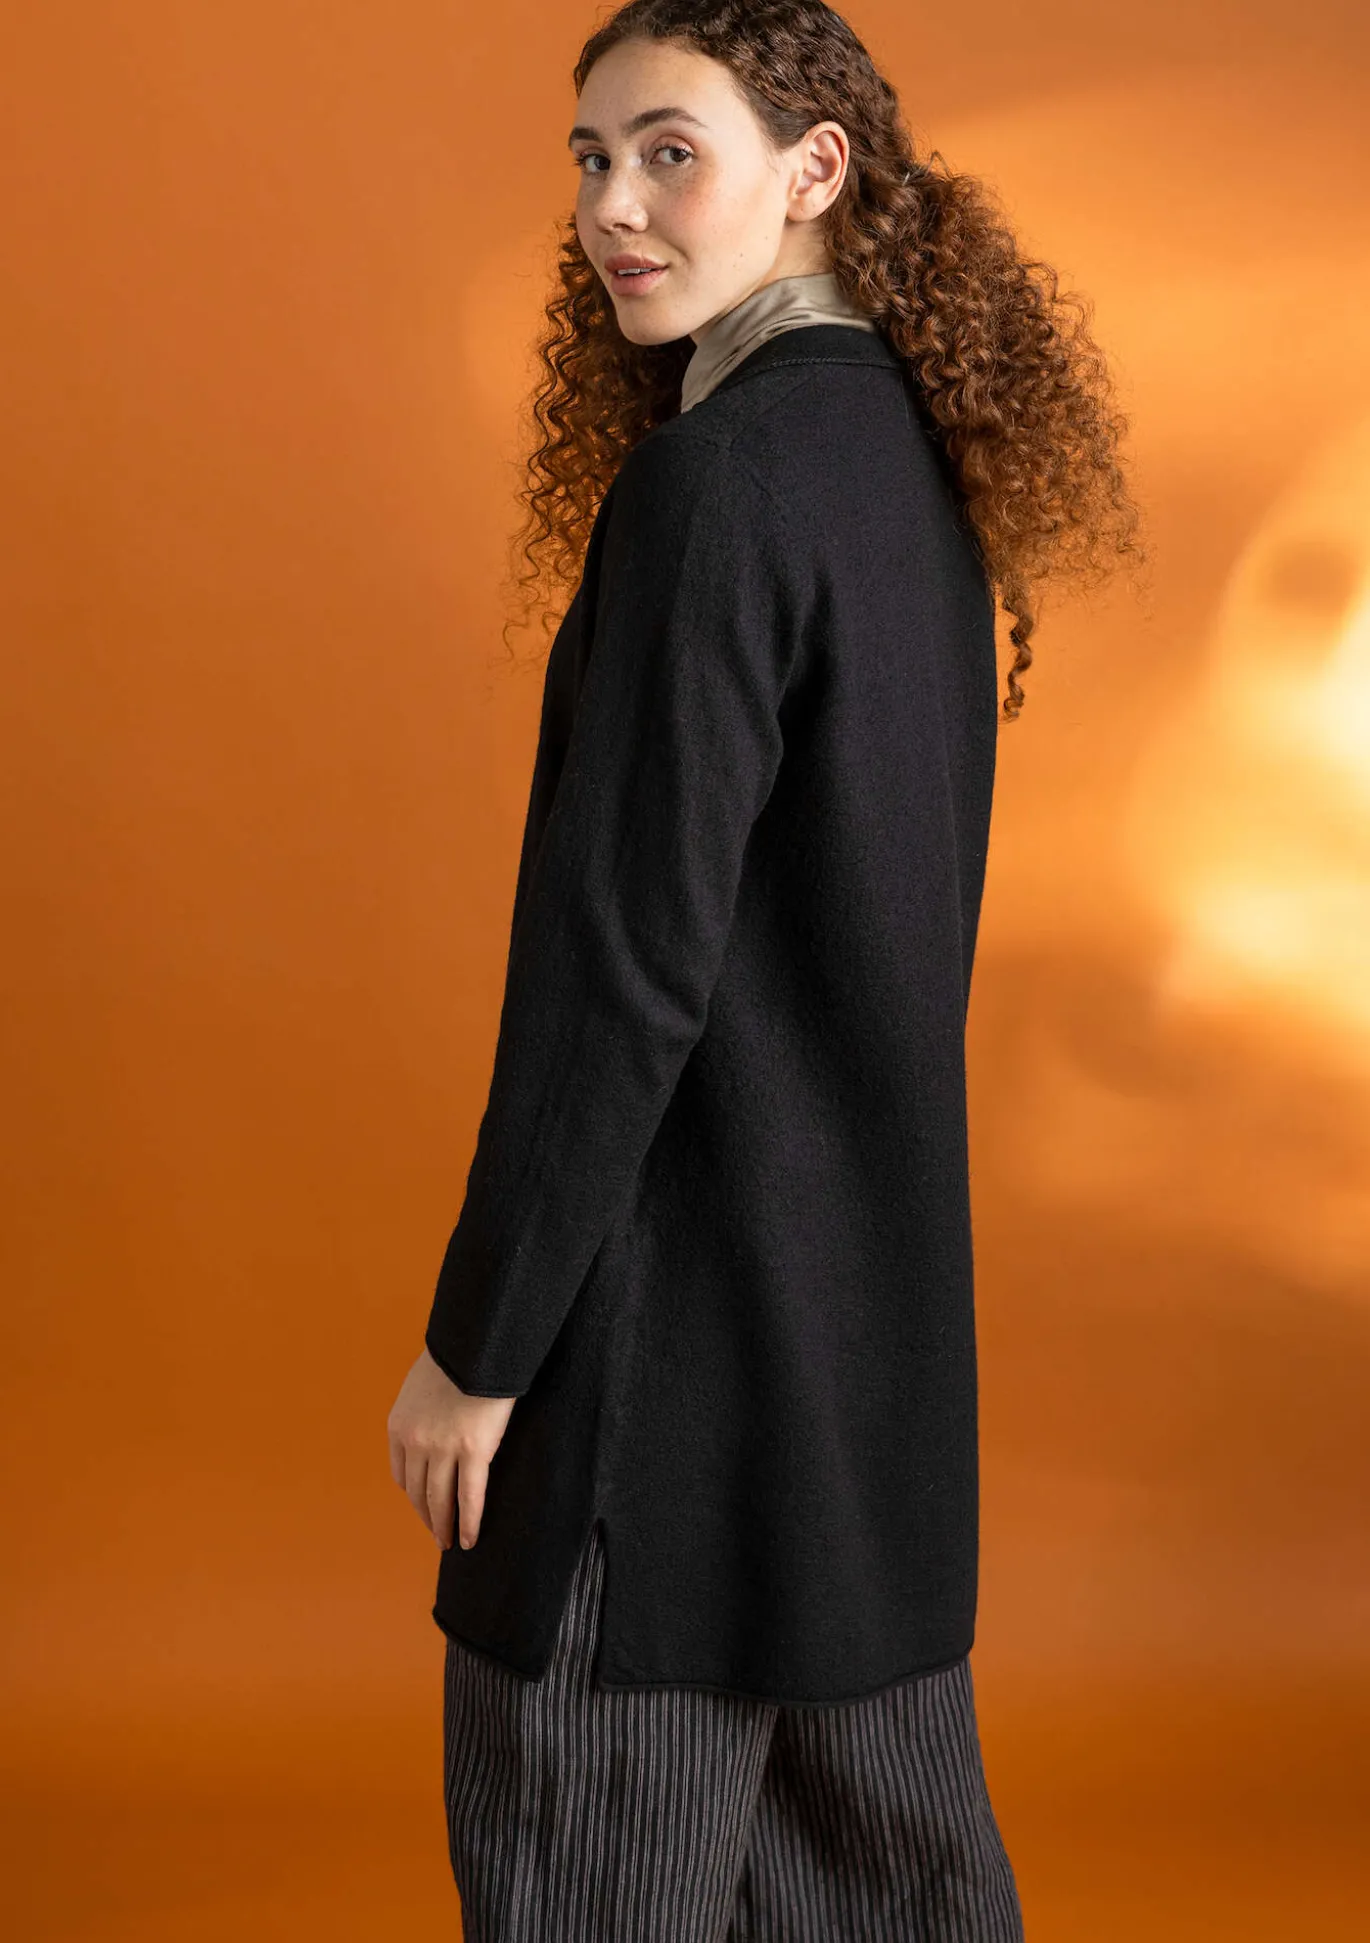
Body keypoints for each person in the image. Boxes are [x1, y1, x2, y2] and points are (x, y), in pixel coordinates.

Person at [387, 2, 1143, 1936]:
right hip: (859, 1400)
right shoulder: (903, 464)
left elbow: (625, 972)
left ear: (814, 173)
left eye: (668, 152)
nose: (612, 208)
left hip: (660, 1409)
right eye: (589, 159)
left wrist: (481, 1348)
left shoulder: (714, 487)